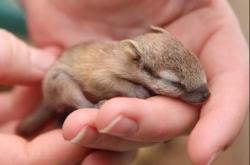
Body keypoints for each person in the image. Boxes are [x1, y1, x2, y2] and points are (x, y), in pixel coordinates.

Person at [0, 0, 248, 164]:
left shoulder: (140, 61)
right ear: (135, 60)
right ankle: (81, 108)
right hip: (62, 82)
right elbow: (97, 82)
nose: (202, 94)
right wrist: (128, 92)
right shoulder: (116, 68)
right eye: (176, 84)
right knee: (62, 81)